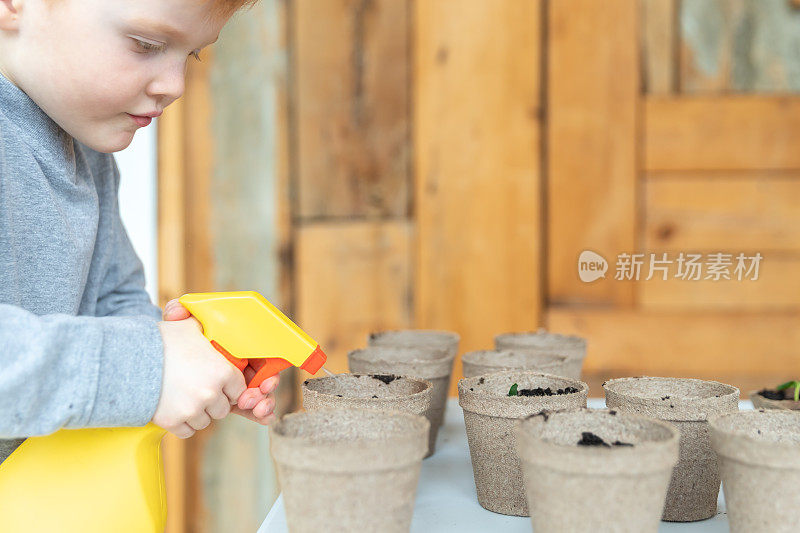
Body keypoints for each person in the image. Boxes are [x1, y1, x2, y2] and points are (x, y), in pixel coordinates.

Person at [0, 0, 278, 464]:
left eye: (191, 55)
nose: (175, 86)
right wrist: (150, 366)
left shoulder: (85, 149)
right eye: (146, 44)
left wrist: (198, 364)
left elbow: (111, 299)